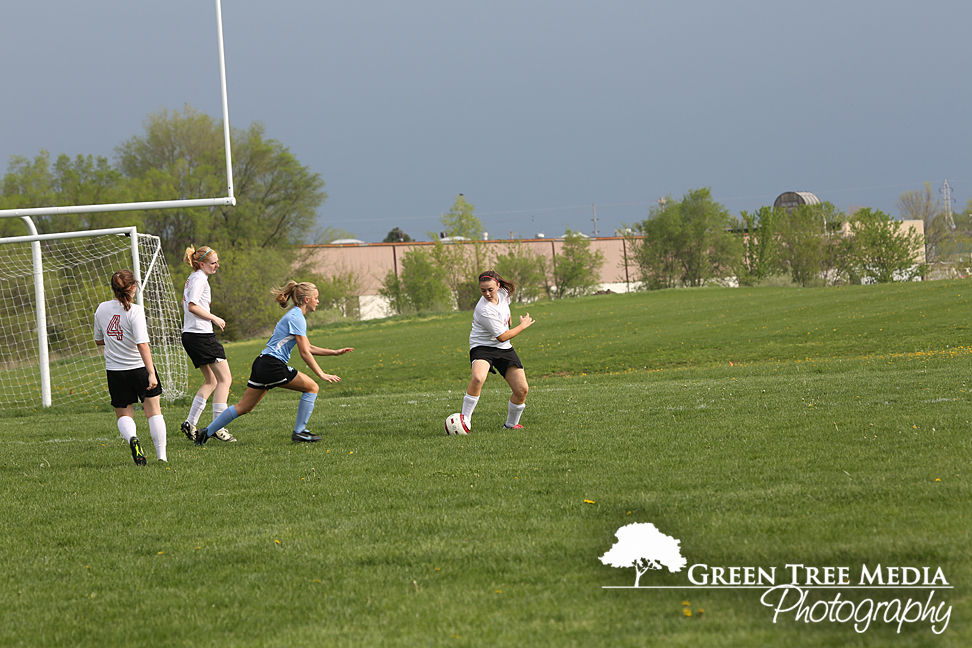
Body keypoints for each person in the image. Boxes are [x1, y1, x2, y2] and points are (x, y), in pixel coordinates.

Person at [193, 281, 353, 445]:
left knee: (244, 407)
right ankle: (300, 432)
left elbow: (308, 347)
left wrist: (334, 352)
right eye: (316, 298)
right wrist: (321, 374)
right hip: (272, 366)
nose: (318, 301)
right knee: (312, 387)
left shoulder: (294, 316)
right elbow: (304, 352)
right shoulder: (297, 318)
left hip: (262, 363)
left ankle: (206, 432)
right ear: (306, 299)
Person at [93, 270, 168, 465]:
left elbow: (99, 340)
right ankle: (162, 457)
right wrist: (151, 373)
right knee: (153, 412)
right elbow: (142, 344)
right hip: (139, 369)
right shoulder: (135, 311)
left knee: (124, 414)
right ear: (132, 287)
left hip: (115, 371)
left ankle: (133, 440)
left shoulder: (101, 309)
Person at [459, 270, 534, 430]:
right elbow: (502, 336)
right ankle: (464, 421)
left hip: (504, 349)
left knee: (522, 390)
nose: (487, 293)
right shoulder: (484, 309)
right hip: (482, 346)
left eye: (490, 289)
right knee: (478, 378)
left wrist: (509, 321)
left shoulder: (504, 292)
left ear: (498, 286)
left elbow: (505, 312)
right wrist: (523, 326)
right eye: (483, 290)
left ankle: (510, 425)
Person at [179, 245, 236, 443]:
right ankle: (218, 427)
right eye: (213, 263)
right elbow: (192, 306)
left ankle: (190, 423)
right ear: (201, 264)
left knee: (211, 381)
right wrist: (214, 318)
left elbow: (184, 304)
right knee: (225, 379)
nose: (217, 265)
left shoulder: (193, 279)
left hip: (191, 335)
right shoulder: (199, 279)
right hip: (200, 336)